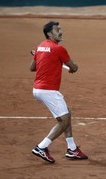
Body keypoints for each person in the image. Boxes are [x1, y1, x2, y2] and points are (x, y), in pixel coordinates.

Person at [30, 21, 88, 163]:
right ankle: (42, 147)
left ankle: (72, 149)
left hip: (38, 89)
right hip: (48, 90)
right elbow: (73, 67)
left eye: (60, 29)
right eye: (57, 30)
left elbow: (32, 68)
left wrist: (42, 58)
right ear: (49, 33)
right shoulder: (59, 49)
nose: (60, 32)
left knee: (66, 113)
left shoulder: (40, 47)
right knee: (64, 120)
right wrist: (74, 67)